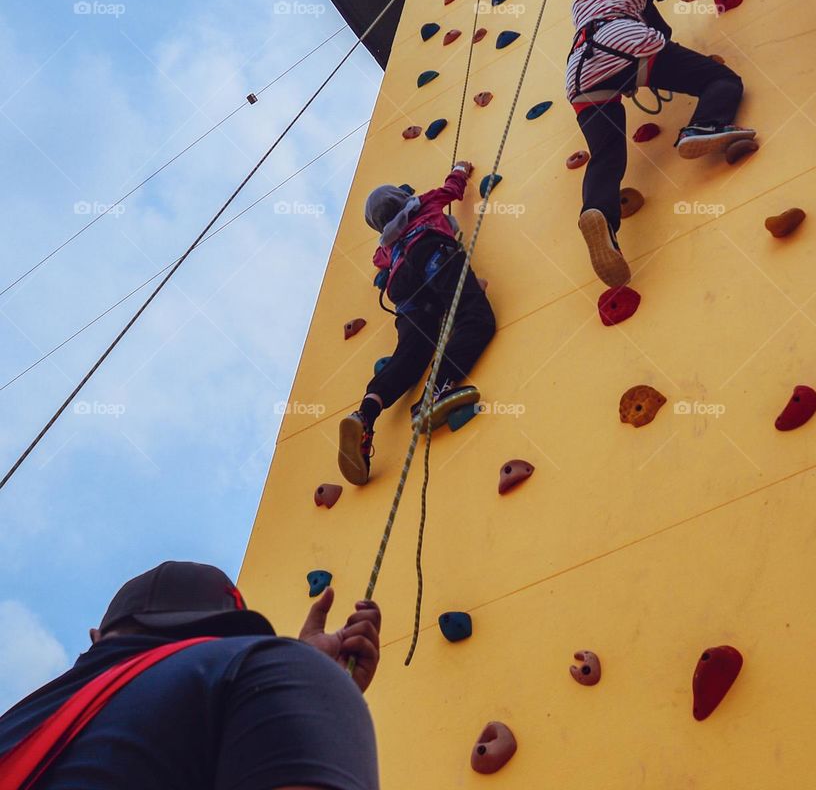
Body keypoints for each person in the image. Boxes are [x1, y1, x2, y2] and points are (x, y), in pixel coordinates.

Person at [0, 559, 381, 790]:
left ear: (96, 639)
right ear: (234, 636)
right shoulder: (269, 670)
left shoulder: (16, 729)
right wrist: (310, 690)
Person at [566, 0, 756, 286]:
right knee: (722, 80)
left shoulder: (580, 2)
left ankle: (598, 215)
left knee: (606, 156)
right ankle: (704, 126)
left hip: (579, 72)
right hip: (624, 44)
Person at [338, 161, 496, 487]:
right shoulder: (423, 203)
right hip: (432, 252)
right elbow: (452, 190)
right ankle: (434, 394)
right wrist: (461, 169)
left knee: (409, 355)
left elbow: (379, 261)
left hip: (402, 287)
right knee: (475, 318)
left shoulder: (386, 246)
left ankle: (364, 415)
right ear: (400, 197)